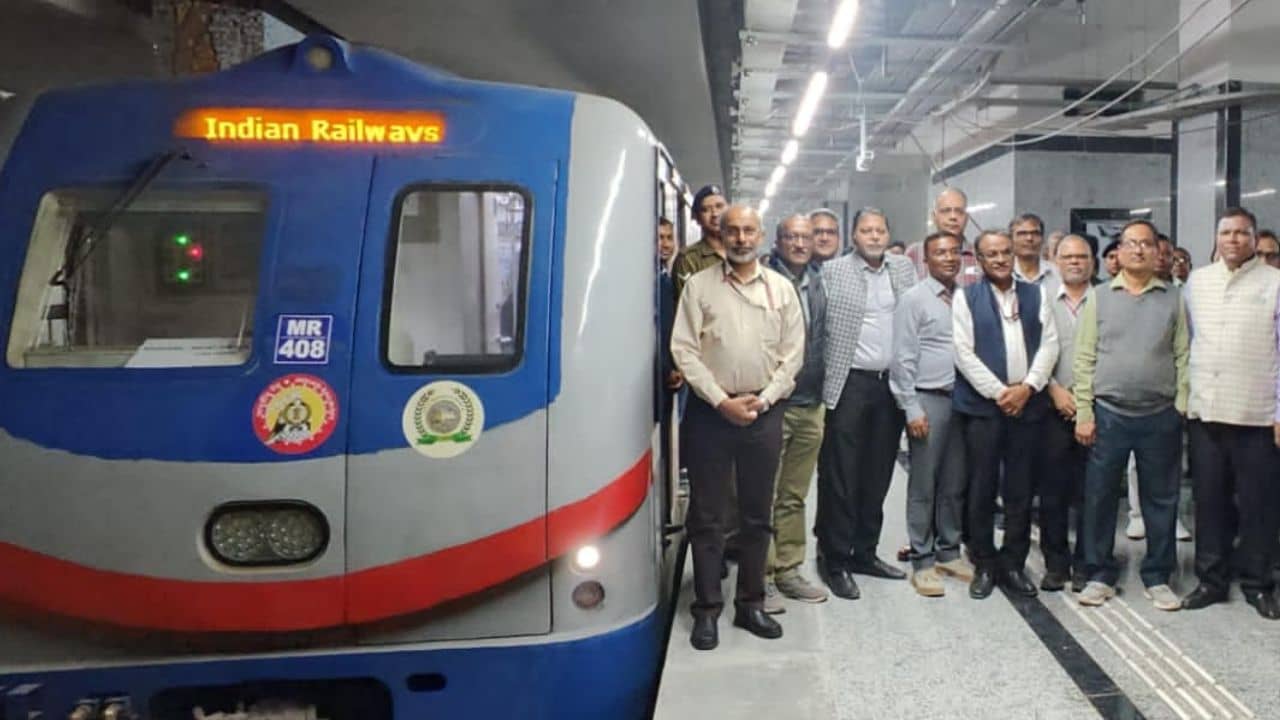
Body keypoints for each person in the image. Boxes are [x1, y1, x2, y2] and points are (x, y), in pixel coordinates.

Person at [671, 204, 805, 649]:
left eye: (749, 230)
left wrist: (764, 400)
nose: (742, 238)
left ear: (761, 235)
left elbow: (793, 355)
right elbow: (684, 350)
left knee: (756, 514)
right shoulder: (699, 286)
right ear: (722, 236)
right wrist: (720, 400)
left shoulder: (782, 289)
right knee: (707, 516)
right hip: (711, 414)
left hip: (764, 413)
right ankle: (707, 609)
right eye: (733, 231)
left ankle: (750, 604)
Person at [1072, 220, 1188, 611]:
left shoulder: (1173, 298)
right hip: (1108, 414)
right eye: (1130, 243)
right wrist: (1084, 411)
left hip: (1161, 414)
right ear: (1118, 252)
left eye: (1146, 244)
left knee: (1161, 499)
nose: (1138, 250)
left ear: (1158, 252)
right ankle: (1099, 574)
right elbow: (1084, 356)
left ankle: (1158, 576)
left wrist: (1182, 403)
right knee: (1100, 496)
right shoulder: (1100, 297)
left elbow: (1183, 353)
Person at [1181, 207, 1280, 620]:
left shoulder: (1274, 282)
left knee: (1259, 503)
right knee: (1209, 501)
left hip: (1257, 413)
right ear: (1216, 238)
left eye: (1242, 233)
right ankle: (1211, 580)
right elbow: (1189, 339)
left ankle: (1258, 583)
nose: (1234, 240)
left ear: (1255, 239)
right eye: (1226, 232)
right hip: (1206, 410)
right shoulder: (1198, 281)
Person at [815, 208, 918, 600]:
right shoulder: (833, 272)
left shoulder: (903, 269)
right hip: (849, 383)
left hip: (890, 385)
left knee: (878, 473)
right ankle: (835, 559)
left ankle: (865, 552)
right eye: (866, 230)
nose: (874, 236)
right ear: (853, 236)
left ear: (888, 235)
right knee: (841, 475)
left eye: (880, 230)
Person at [952, 229, 1059, 600]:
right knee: (981, 487)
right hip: (984, 408)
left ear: (1013, 255)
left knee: (1020, 489)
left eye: (1005, 252)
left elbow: (1050, 344)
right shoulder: (966, 297)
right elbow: (963, 353)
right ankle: (984, 562)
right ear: (979, 260)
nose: (999, 259)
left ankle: (1013, 562)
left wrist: (1028, 387)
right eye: (991, 254)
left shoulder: (1035, 294)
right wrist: (1000, 393)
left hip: (1028, 405)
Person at [890, 231, 973, 597]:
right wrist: (911, 406)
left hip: (963, 401)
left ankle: (949, 551)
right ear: (926, 259)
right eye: (940, 252)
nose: (949, 258)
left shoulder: (965, 297)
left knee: (955, 481)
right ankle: (922, 559)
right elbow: (902, 357)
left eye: (954, 252)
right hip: (928, 400)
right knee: (924, 483)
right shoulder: (914, 299)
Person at [763, 215, 830, 612]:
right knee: (763, 494)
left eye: (806, 237)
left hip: (811, 404)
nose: (800, 244)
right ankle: (762, 576)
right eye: (792, 237)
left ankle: (788, 569)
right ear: (779, 241)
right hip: (775, 403)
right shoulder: (763, 279)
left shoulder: (820, 280)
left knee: (794, 495)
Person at [1040, 234, 1093, 593]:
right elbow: (1031, 350)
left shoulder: (1105, 300)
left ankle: (1088, 564)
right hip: (1051, 407)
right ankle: (1056, 564)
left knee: (1093, 492)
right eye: (1068, 256)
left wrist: (1087, 400)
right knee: (1053, 492)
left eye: (1081, 256)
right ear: (1055, 261)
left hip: (1094, 409)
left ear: (1092, 262)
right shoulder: (1042, 300)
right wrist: (1054, 389)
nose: (1075, 262)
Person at [907, 188, 982, 286]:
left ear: (967, 217)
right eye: (946, 211)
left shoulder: (980, 255)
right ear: (934, 217)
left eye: (959, 211)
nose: (953, 217)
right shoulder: (915, 253)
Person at [672, 185, 728, 301]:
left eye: (719, 206)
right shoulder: (688, 259)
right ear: (697, 218)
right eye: (706, 210)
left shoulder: (741, 252)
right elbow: (687, 305)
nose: (715, 214)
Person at [1010, 213, 1059, 288]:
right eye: (1022, 233)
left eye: (1035, 233)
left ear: (1042, 238)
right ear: (1010, 239)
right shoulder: (1001, 273)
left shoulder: (1058, 273)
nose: (1029, 238)